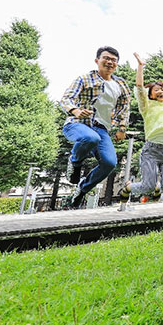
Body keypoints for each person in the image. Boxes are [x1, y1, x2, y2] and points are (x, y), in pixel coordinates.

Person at [59, 46, 131, 209]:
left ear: (117, 64)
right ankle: (74, 161)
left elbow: (125, 107)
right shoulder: (85, 78)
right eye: (106, 58)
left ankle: (81, 190)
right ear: (97, 60)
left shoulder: (120, 84)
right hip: (78, 124)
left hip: (102, 129)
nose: (110, 62)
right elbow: (66, 98)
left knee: (109, 163)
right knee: (90, 138)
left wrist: (122, 128)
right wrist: (76, 110)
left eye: (114, 60)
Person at [119, 52, 163, 203]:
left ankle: (156, 186)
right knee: (147, 187)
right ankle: (129, 187)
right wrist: (140, 67)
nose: (161, 91)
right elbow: (139, 88)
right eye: (157, 89)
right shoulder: (147, 106)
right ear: (150, 94)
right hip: (151, 149)